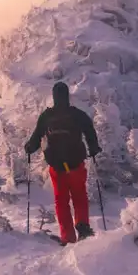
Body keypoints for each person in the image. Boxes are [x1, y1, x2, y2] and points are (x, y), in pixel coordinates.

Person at [23, 81, 102, 244]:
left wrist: (29, 148)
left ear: (53, 97)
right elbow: (89, 131)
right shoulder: (78, 114)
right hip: (76, 164)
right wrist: (93, 147)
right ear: (67, 96)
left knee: (61, 201)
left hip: (57, 167)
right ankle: (83, 227)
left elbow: (36, 139)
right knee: (80, 195)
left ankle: (68, 237)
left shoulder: (47, 116)